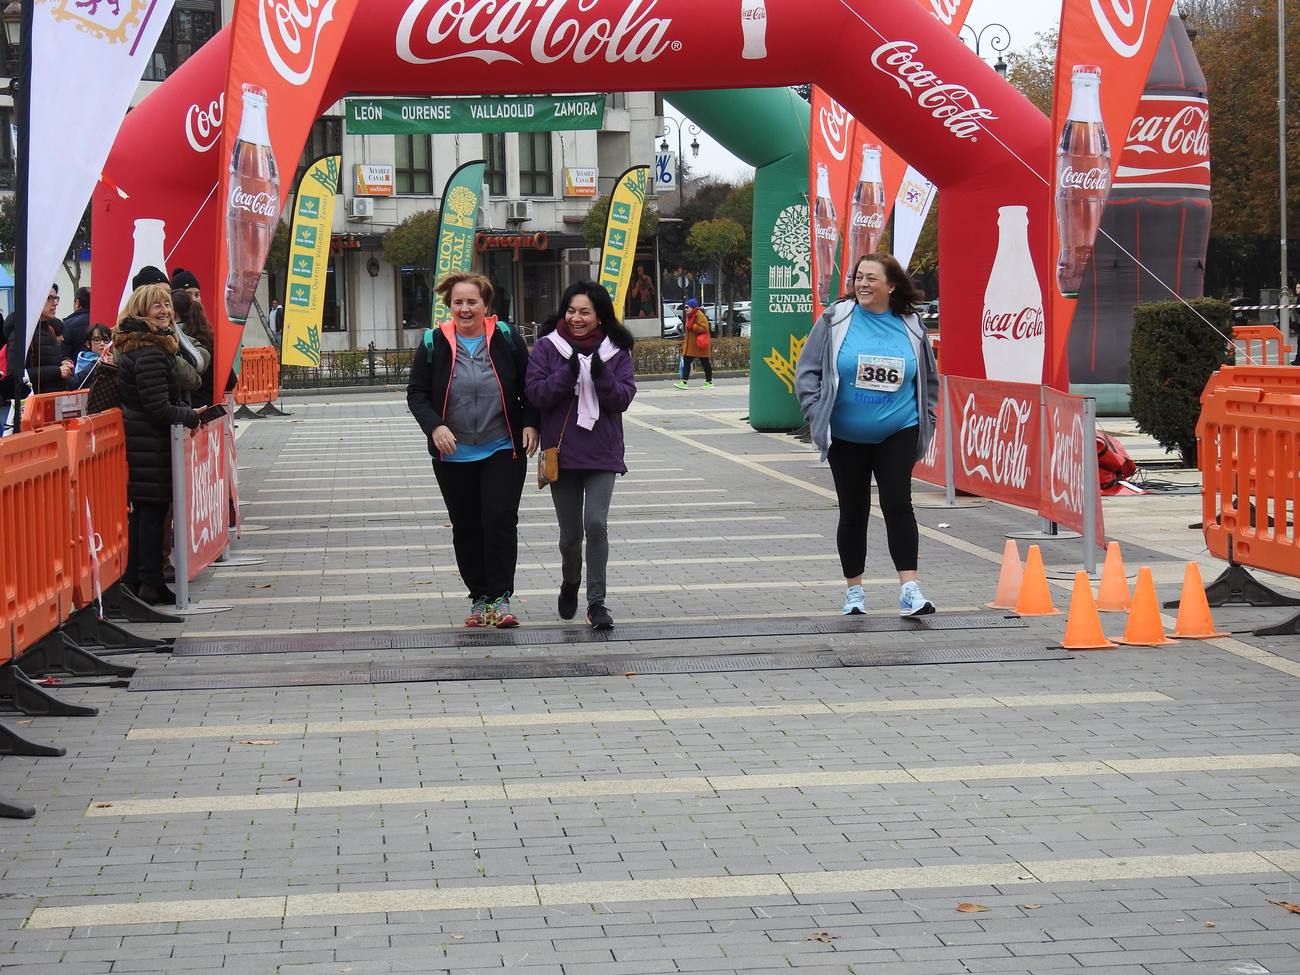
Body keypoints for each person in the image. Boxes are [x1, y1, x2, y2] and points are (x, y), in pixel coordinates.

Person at [795, 253, 939, 618]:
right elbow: (807, 371)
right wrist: (816, 414)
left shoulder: (911, 326)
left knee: (897, 503)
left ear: (891, 285)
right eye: (859, 277)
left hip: (899, 429)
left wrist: (929, 421)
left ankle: (910, 589)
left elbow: (929, 381)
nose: (862, 284)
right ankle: (854, 591)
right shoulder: (835, 319)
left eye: (871, 278)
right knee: (853, 510)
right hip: (845, 434)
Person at [407, 272, 539, 628]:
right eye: (457, 303)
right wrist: (435, 425)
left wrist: (529, 423)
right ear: (449, 306)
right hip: (454, 453)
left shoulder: (506, 339)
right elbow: (417, 392)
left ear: (486, 305)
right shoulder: (434, 342)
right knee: (466, 526)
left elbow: (530, 386)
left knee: (498, 519)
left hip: (502, 446)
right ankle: (479, 597)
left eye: (471, 302)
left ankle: (501, 597)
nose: (464, 309)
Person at [526, 281, 637, 631]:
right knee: (571, 535)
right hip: (563, 453)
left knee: (596, 524)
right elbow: (536, 395)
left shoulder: (616, 351)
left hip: (602, 452)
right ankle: (570, 580)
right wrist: (568, 373)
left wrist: (600, 375)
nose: (576, 318)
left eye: (584, 312)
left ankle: (597, 602)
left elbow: (622, 399)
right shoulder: (547, 348)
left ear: (600, 315)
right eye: (571, 311)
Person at [114, 284, 201, 605]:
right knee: (151, 513)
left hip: (145, 441)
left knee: (145, 514)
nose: (165, 311)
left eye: (166, 305)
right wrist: (190, 415)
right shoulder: (150, 351)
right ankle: (149, 581)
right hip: (149, 442)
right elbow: (158, 407)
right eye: (156, 307)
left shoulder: (144, 346)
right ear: (141, 312)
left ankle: (137, 580)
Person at [2, 284, 71, 394]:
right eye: (49, 298)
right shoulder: (20, 334)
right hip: (33, 405)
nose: (55, 303)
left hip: (52, 402)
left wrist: (63, 363)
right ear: (35, 299)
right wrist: (56, 371)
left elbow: (48, 360)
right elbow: (14, 375)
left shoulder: (50, 330)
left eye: (56, 298)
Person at [172, 289, 215, 407]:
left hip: (189, 409)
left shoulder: (179, 339)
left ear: (172, 313)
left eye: (197, 294)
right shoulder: (205, 335)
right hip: (206, 405)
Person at [673, 298, 713, 389]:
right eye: (685, 307)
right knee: (687, 361)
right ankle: (684, 381)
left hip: (700, 344)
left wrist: (692, 326)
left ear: (692, 307)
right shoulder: (690, 315)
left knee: (705, 363)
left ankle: (709, 382)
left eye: (687, 307)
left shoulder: (699, 315)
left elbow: (704, 327)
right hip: (692, 345)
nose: (686, 309)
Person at [60, 286, 92, 362]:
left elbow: (64, 354)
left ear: (77, 303)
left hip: (76, 369)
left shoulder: (67, 324)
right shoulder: (100, 321)